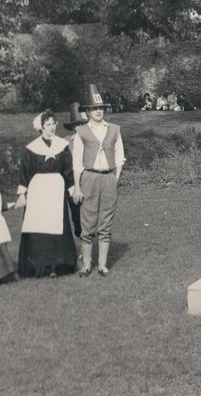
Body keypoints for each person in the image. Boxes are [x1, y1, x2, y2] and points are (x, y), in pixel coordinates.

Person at [15, 110, 78, 278]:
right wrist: (22, 194)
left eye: (53, 123)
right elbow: (25, 173)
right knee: (38, 226)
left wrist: (72, 188)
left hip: (56, 190)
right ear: (41, 127)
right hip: (37, 192)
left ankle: (57, 266)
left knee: (57, 225)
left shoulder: (62, 147)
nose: (52, 127)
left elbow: (68, 169)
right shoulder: (31, 148)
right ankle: (38, 266)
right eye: (48, 124)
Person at [72, 84, 126, 276]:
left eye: (101, 108)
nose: (98, 112)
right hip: (89, 177)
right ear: (87, 112)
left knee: (106, 221)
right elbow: (77, 162)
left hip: (108, 178)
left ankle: (102, 264)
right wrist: (77, 187)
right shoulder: (81, 132)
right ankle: (87, 264)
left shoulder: (114, 130)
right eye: (94, 109)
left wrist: (115, 178)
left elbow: (120, 156)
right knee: (87, 221)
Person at [62, 102, 88, 238]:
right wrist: (71, 186)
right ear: (72, 127)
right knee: (77, 219)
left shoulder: (91, 141)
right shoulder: (66, 142)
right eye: (76, 125)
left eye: (82, 124)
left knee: (91, 218)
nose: (79, 128)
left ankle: (90, 248)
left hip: (89, 182)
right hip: (72, 185)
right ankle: (83, 246)